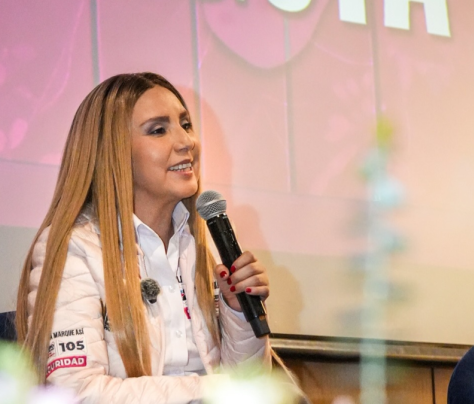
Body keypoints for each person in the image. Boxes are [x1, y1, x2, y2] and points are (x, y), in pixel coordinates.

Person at [15, 72, 301, 403]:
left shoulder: (204, 244)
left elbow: (248, 385)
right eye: (158, 130)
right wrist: (211, 390)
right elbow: (75, 393)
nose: (186, 142)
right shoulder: (74, 247)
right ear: (113, 151)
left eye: (186, 125)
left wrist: (238, 313)